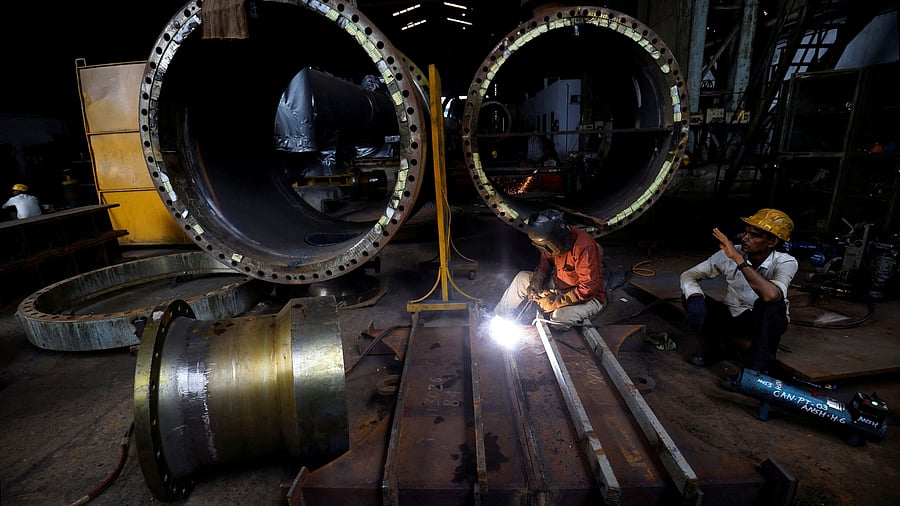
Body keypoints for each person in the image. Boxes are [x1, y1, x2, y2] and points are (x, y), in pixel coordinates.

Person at [680, 208, 798, 372]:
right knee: (690, 296)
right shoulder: (730, 252)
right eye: (746, 232)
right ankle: (714, 350)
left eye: (754, 235)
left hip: (764, 322)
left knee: (770, 306)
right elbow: (690, 274)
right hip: (733, 316)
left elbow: (771, 295)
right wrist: (695, 297)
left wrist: (738, 259)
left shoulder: (786, 262)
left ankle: (757, 369)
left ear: (772, 242)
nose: (745, 238)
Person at [493, 209, 606, 330]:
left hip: (588, 298)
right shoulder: (551, 241)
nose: (546, 250)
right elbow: (544, 264)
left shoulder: (583, 246)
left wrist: (556, 302)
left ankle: (578, 311)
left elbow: (587, 290)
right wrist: (536, 282)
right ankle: (499, 317)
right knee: (522, 278)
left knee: (558, 319)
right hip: (560, 286)